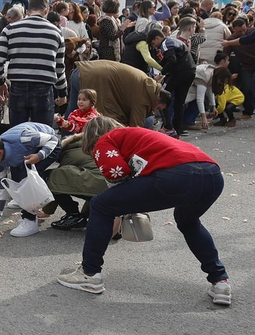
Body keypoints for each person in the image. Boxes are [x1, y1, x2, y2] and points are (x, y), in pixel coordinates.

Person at [56, 116, 232, 305]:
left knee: (100, 205)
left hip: (174, 175)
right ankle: (220, 281)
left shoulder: (106, 140)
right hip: (212, 175)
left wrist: (122, 203)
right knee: (188, 221)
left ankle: (89, 273)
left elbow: (118, 172)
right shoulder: (138, 135)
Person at [0, 0, 66, 126]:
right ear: (46, 11)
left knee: (18, 134)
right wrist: (62, 93)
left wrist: (0, 83)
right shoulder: (56, 32)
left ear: (27, 11)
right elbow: (59, 68)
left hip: (18, 86)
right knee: (43, 135)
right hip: (44, 87)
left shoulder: (10, 29)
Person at [0, 121, 61, 238]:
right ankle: (23, 198)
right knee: (17, 177)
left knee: (25, 176)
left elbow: (53, 140)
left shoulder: (24, 138)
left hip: (49, 144)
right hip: (26, 151)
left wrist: (39, 155)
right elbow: (1, 187)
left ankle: (30, 220)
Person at [160, 18, 199, 134]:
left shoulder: (186, 41)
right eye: (194, 27)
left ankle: (174, 126)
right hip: (178, 73)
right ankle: (169, 125)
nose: (195, 30)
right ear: (190, 28)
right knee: (170, 99)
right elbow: (172, 60)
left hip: (182, 73)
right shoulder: (176, 41)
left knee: (178, 101)